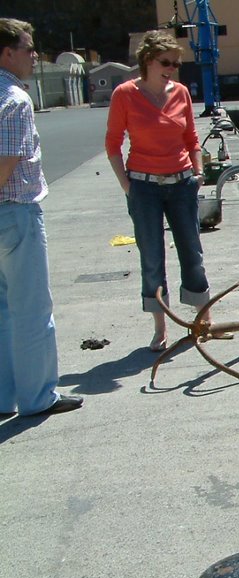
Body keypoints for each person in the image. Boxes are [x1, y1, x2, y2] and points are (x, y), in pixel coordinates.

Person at [105, 30, 216, 352]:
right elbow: (112, 144)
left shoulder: (180, 92)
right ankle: (160, 327)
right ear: (148, 60)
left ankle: (203, 319)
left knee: (192, 253)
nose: (172, 68)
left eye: (176, 63)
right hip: (144, 187)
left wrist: (198, 173)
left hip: (181, 183)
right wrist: (127, 186)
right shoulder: (125, 95)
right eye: (166, 62)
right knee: (152, 257)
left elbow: (192, 140)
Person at [0, 18, 83, 417]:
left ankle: (4, 396)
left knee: (1, 310)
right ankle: (38, 398)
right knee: (32, 310)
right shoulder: (14, 100)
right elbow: (7, 163)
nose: (35, 55)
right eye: (28, 48)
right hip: (15, 213)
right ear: (7, 53)